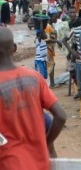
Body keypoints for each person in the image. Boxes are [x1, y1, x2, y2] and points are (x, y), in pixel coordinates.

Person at [0, 27, 67, 170]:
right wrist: (46, 143)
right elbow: (61, 116)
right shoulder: (34, 77)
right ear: (15, 48)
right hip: (40, 162)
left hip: (9, 164)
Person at [62, 14, 81, 100]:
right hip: (79, 61)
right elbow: (64, 40)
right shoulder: (75, 30)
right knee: (80, 84)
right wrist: (72, 52)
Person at [45, 8, 62, 88]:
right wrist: (57, 41)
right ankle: (51, 84)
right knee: (51, 65)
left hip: (50, 49)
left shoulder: (51, 25)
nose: (56, 18)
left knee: (51, 65)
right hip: (47, 49)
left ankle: (52, 83)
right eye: (55, 17)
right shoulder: (48, 26)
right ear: (51, 17)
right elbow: (47, 39)